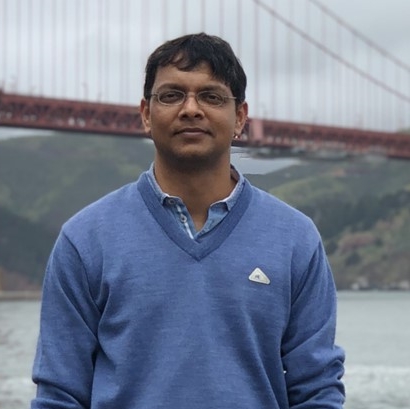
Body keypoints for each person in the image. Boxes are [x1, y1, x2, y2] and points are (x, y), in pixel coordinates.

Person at [31, 33, 345, 409]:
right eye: (171, 95)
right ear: (146, 114)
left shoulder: (295, 238)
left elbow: (317, 390)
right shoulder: (84, 240)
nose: (191, 109)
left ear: (240, 118)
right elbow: (59, 395)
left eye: (211, 96)